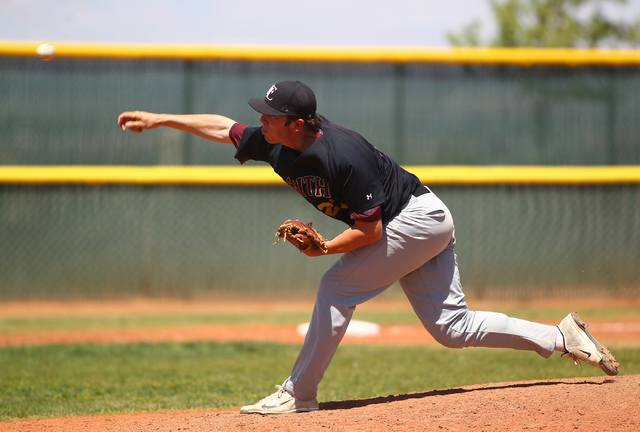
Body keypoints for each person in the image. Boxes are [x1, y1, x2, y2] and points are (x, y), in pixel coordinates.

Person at [118, 80, 619, 415]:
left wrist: (323, 249)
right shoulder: (276, 141)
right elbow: (222, 126)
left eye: (271, 116)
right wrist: (161, 118)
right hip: (422, 220)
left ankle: (299, 395)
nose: (261, 121)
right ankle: (562, 338)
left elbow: (371, 233)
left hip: (415, 221)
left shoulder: (342, 153)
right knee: (452, 328)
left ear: (297, 123)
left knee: (336, 287)